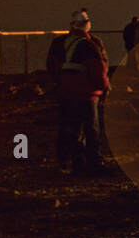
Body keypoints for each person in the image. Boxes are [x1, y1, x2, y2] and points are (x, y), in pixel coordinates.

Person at [45, 10, 110, 175]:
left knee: (70, 128)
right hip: (87, 94)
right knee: (91, 129)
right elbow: (98, 69)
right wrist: (104, 87)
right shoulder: (90, 44)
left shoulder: (60, 43)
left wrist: (59, 83)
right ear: (87, 24)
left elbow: (51, 65)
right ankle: (94, 163)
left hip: (66, 93)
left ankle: (72, 162)